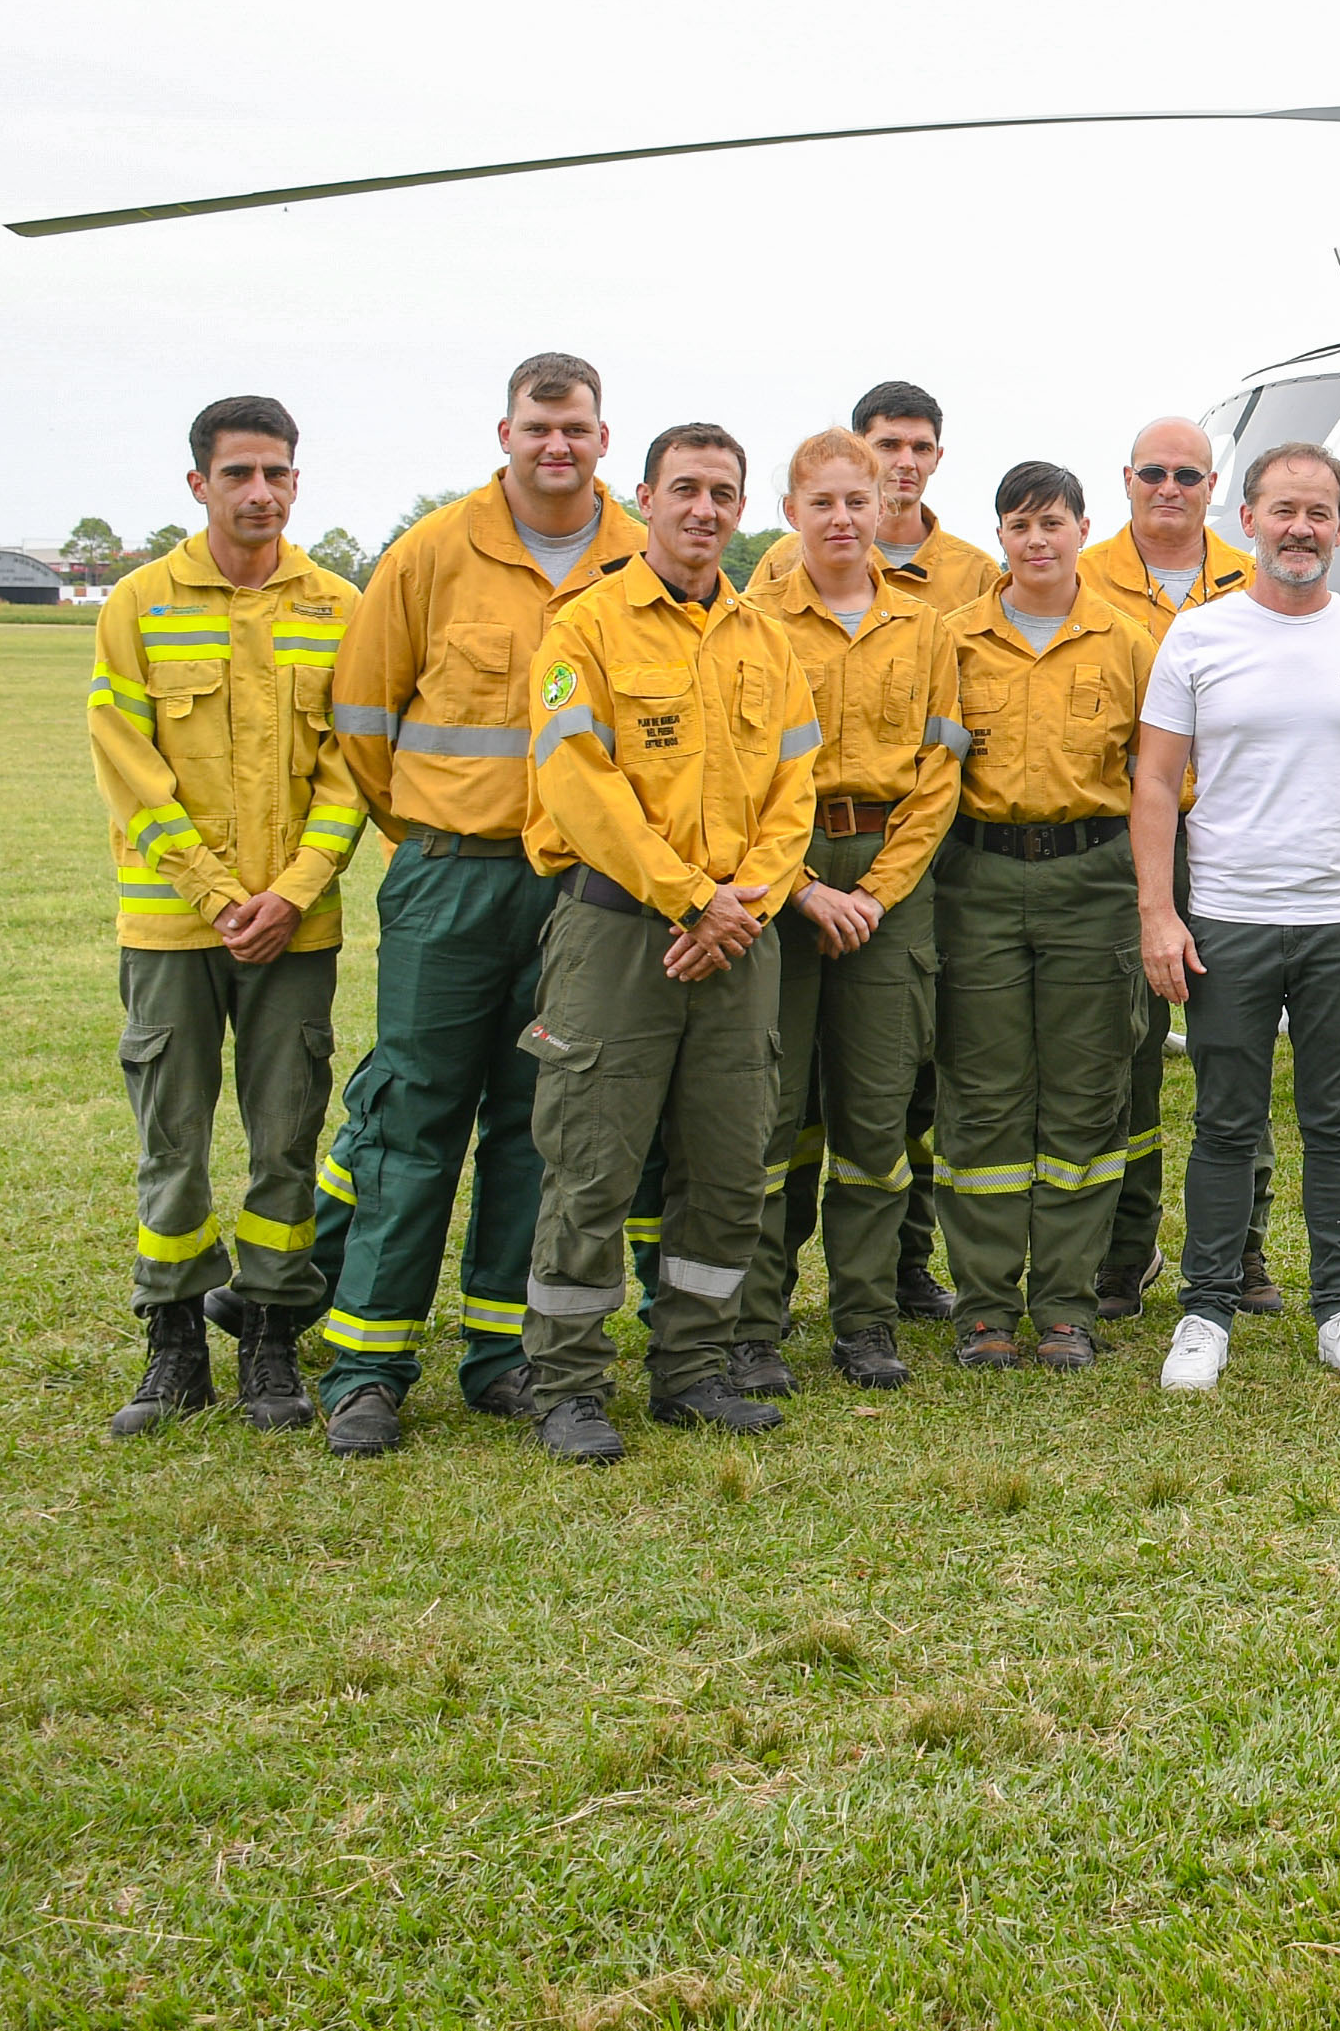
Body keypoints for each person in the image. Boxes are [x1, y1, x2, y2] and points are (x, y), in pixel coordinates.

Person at [312, 352, 648, 1457]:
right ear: (504, 433)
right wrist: (428, 831)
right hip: (451, 873)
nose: (559, 445)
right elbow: (362, 719)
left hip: (581, 890)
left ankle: (501, 1358)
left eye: (578, 429)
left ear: (604, 439)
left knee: (536, 1130)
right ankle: (367, 1366)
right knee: (415, 1118)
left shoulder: (636, 556)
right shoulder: (432, 553)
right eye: (539, 427)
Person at [514, 422, 820, 1462]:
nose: (704, 509)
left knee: (730, 1167)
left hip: (740, 942)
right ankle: (564, 1385)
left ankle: (693, 1369)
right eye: (684, 488)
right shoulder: (586, 629)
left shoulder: (766, 640)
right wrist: (690, 898)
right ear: (642, 497)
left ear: (742, 510)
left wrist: (744, 902)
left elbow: (795, 794)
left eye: (723, 492)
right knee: (592, 1167)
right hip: (618, 933)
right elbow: (577, 784)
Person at [86, 395, 369, 1435]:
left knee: (288, 1138)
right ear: (198, 483)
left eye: (278, 473)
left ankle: (267, 1339)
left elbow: (353, 768)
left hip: (297, 929)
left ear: (298, 482)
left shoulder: (338, 607)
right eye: (239, 473)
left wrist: (291, 892)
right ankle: (171, 1346)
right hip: (172, 926)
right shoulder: (139, 605)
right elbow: (128, 768)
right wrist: (215, 893)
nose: (260, 492)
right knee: (173, 1141)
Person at [1136, 443, 1340, 1393]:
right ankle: (1204, 1312)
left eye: (1319, 512)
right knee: (1226, 1123)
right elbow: (1152, 780)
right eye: (1283, 510)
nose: (1300, 528)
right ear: (1249, 520)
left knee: (1335, 1121)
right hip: (1226, 919)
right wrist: (1159, 912)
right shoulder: (1198, 637)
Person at [744, 377, 998, 1322]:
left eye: (858, 500)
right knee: (769, 1106)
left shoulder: (924, 626)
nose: (845, 518)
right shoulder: (755, 621)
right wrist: (803, 886)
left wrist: (881, 893)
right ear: (791, 513)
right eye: (825, 503)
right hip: (782, 875)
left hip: (890, 878)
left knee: (879, 1104)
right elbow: (739, 775)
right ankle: (757, 1320)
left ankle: (864, 1313)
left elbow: (940, 771)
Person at [934, 463, 1159, 1372]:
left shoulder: (1128, 640)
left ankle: (1068, 1306)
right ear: (1000, 536)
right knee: (984, 1099)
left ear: (1082, 529)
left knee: (1082, 1098)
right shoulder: (950, 642)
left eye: (1053, 523)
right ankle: (984, 1306)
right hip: (979, 880)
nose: (1038, 540)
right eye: (1020, 524)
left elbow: (1166, 772)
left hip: (1092, 881)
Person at [1080, 418, 1258, 1322]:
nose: (1169, 487)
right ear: (1126, 479)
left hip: (1234, 837)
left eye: (1188, 474)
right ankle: (1127, 1246)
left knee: (1239, 1043)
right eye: (1153, 472)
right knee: (1132, 1048)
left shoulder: (1252, 575)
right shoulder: (1082, 576)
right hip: (1132, 838)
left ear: (1213, 485)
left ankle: (1245, 1249)